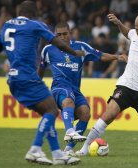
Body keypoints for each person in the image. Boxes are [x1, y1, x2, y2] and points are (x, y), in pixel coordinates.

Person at [0, 0, 83, 165]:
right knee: (52, 110)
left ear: (18, 11)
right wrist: (73, 52)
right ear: (35, 12)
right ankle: (35, 149)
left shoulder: (7, 26)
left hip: (13, 79)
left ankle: (57, 154)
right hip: (27, 77)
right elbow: (56, 41)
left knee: (48, 112)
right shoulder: (35, 25)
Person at [75, 13, 138, 156]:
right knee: (109, 113)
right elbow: (127, 32)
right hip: (127, 85)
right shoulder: (135, 34)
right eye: (137, 29)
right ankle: (85, 148)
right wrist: (118, 23)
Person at [38, 22, 127, 155]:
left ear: (70, 33)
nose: (62, 37)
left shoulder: (80, 47)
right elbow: (41, 69)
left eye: (65, 34)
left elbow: (100, 55)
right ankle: (69, 131)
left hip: (75, 89)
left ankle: (68, 150)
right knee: (68, 101)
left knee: (85, 113)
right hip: (59, 87)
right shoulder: (48, 50)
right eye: (59, 35)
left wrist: (117, 56)